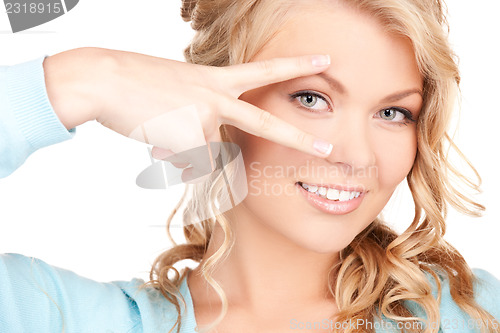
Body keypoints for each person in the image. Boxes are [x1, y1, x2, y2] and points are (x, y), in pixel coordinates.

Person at [1, 1, 499, 333]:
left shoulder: (472, 314)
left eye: (393, 113)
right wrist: (82, 79)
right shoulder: (63, 317)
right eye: (311, 97)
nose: (358, 157)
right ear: (213, 95)